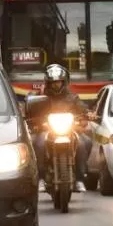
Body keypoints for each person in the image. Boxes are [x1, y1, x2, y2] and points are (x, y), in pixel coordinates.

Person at [25, 63, 93, 193]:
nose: (56, 85)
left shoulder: (73, 98)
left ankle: (79, 178)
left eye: (59, 82)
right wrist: (34, 120)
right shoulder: (40, 98)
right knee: (37, 144)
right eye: (53, 82)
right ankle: (40, 178)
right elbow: (31, 113)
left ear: (64, 82)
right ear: (48, 83)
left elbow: (82, 110)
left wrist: (86, 115)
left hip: (69, 131)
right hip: (46, 131)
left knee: (85, 143)